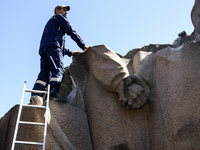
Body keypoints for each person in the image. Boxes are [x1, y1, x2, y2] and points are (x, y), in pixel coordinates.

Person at [31, 5, 88, 101]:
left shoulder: (52, 24)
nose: (66, 12)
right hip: (52, 47)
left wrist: (71, 52)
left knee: (44, 74)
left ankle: (36, 95)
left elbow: (56, 44)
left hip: (45, 49)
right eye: (64, 10)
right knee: (58, 70)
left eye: (66, 10)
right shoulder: (59, 17)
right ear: (57, 11)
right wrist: (82, 44)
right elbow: (70, 30)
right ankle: (52, 92)